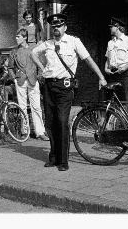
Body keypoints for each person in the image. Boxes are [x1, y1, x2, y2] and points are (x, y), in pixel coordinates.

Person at [31, 13, 107, 171]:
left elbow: (88, 59)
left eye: (59, 26)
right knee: (50, 123)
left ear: (65, 27)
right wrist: (43, 68)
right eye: (53, 27)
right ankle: (53, 157)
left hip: (65, 87)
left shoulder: (74, 41)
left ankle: (63, 160)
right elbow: (33, 53)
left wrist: (101, 76)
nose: (56, 29)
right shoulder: (48, 43)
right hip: (48, 85)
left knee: (62, 121)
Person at [8, 28, 49, 141]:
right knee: (22, 106)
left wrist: (40, 76)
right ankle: (24, 131)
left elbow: (40, 63)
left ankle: (40, 132)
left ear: (25, 37)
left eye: (18, 37)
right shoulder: (14, 51)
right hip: (20, 80)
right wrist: (14, 79)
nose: (16, 39)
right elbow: (10, 67)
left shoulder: (34, 49)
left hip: (33, 80)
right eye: (16, 37)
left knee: (36, 106)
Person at [104, 17, 128, 102]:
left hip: (125, 75)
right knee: (113, 101)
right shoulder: (110, 43)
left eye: (111, 27)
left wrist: (123, 68)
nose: (110, 28)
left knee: (127, 100)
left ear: (117, 27)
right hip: (113, 75)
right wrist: (106, 68)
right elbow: (108, 59)